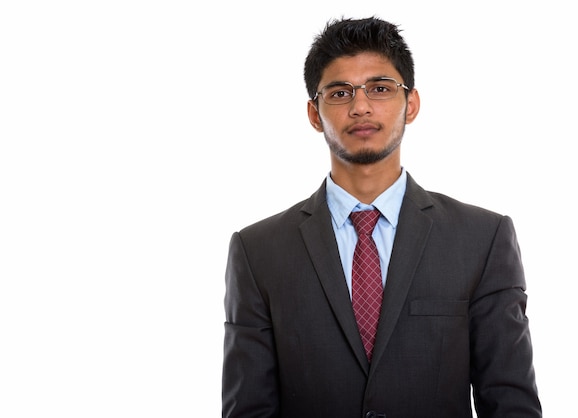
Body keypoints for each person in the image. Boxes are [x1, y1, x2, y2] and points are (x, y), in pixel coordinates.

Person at [222, 16, 541, 418]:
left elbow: (512, 405)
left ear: (411, 104)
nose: (360, 106)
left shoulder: (481, 238)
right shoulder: (258, 251)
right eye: (339, 92)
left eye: (380, 88)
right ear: (314, 114)